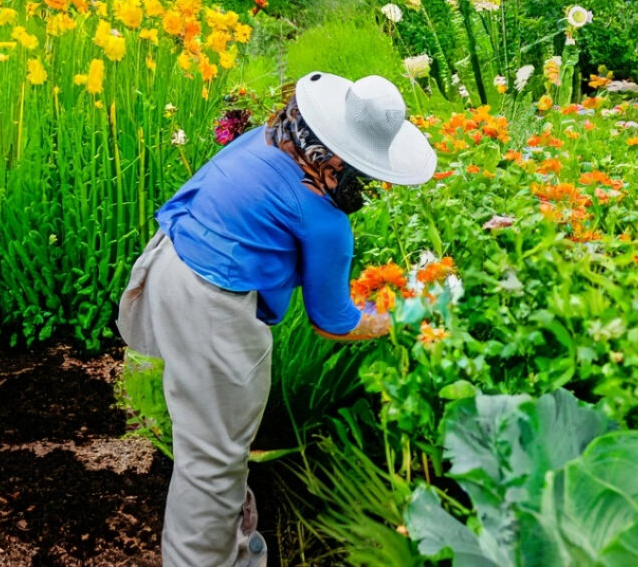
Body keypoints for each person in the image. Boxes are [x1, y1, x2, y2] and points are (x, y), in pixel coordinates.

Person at [116, 71, 437, 567]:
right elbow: (333, 320)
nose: (370, 185)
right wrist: (404, 313)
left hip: (169, 265)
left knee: (214, 439)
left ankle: (238, 551)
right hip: (211, 308)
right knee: (212, 465)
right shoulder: (325, 220)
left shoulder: (265, 140)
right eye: (366, 172)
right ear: (337, 158)